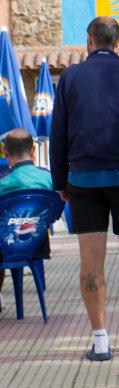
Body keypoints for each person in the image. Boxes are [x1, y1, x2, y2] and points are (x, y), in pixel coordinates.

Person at [50, 16, 119, 361]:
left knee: (91, 261)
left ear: (89, 41)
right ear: (117, 43)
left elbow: (58, 133)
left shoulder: (69, 78)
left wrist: (59, 181)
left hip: (82, 180)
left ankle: (100, 341)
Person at [0, 128, 54, 309]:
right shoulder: (49, 179)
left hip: (5, 247)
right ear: (33, 151)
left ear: (5, 153)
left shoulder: (3, 185)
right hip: (37, 245)